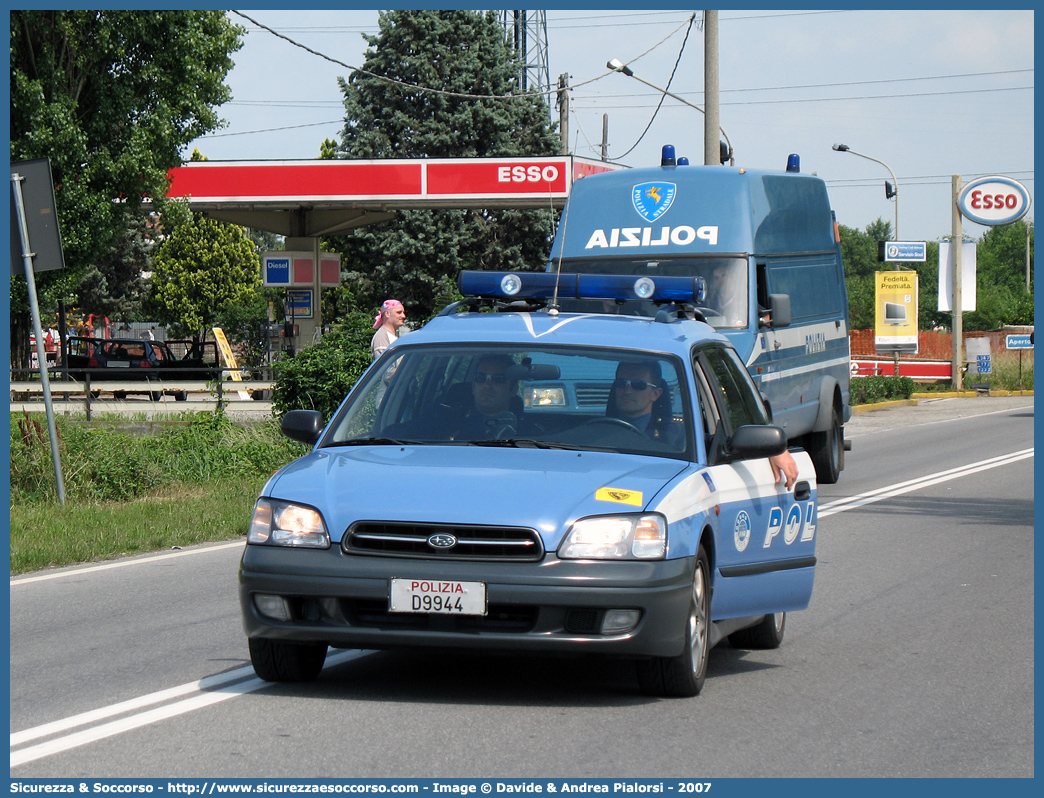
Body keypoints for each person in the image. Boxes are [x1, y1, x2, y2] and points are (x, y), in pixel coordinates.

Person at [449, 354, 521, 440]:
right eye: (481, 377)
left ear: (513, 389)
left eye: (498, 379)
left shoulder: (531, 436)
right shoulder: (447, 426)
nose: (487, 385)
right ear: (473, 387)